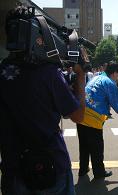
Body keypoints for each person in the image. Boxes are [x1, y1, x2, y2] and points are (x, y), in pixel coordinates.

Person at [0, 6, 86, 195]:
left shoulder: (2, 71)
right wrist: (80, 75)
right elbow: (78, 116)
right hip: (51, 166)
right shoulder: (49, 74)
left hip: (12, 169)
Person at [76, 63, 118, 179]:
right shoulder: (109, 83)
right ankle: (99, 172)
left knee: (84, 145)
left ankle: (83, 169)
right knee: (97, 148)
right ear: (114, 72)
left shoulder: (96, 77)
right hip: (93, 118)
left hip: (81, 113)